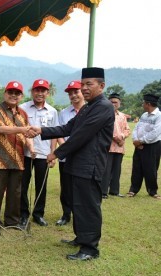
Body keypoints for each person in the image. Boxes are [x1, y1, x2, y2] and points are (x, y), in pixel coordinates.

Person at [29, 67, 114, 261]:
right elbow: (68, 127)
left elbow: (80, 135)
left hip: (90, 165)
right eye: (82, 84)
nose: (84, 88)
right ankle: (81, 238)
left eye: (88, 84)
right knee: (78, 203)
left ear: (101, 86)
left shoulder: (104, 106)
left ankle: (90, 249)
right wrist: (40, 129)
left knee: (88, 206)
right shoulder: (87, 107)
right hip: (77, 164)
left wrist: (56, 153)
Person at [0, 81, 35, 237]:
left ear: (21, 96)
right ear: (5, 93)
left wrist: (31, 148)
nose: (13, 95)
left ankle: (12, 221)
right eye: (10, 92)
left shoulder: (23, 114)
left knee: (15, 193)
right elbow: (1, 129)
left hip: (18, 159)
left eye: (17, 93)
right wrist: (22, 129)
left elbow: (27, 135)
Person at [19, 79, 58, 227]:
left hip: (43, 154)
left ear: (47, 93)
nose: (39, 93)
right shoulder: (22, 108)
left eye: (43, 90)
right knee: (23, 185)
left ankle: (38, 214)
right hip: (25, 154)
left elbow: (55, 133)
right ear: (32, 92)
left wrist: (53, 154)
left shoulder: (52, 111)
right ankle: (23, 214)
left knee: (42, 185)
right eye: (37, 90)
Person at [55, 80, 85, 226]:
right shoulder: (64, 113)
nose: (73, 95)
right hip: (66, 158)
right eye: (70, 93)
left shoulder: (90, 111)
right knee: (66, 188)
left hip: (83, 159)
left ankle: (80, 216)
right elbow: (60, 133)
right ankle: (66, 215)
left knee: (81, 189)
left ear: (83, 92)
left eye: (76, 92)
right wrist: (64, 149)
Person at [127, 93, 161, 199]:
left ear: (148, 104)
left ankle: (152, 191)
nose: (142, 104)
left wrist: (141, 141)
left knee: (150, 168)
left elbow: (155, 132)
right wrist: (135, 140)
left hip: (152, 145)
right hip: (139, 144)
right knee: (137, 167)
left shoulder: (159, 116)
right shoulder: (144, 115)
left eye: (143, 103)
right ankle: (133, 189)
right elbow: (137, 128)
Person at [101, 93, 131, 198]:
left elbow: (127, 129)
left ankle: (114, 191)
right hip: (108, 147)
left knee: (117, 170)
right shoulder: (105, 114)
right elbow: (106, 129)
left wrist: (122, 137)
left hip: (119, 147)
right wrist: (117, 138)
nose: (113, 104)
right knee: (106, 170)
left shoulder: (122, 116)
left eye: (115, 102)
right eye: (111, 102)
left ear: (120, 103)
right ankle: (103, 192)